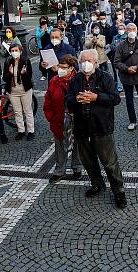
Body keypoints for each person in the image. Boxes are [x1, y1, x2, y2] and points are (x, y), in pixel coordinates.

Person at [66, 49, 126, 209]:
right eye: (82, 61)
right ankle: (97, 183)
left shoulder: (105, 77)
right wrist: (76, 99)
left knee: (109, 161)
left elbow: (115, 98)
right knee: (88, 160)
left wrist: (96, 97)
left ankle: (118, 190)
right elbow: (68, 99)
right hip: (81, 126)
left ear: (95, 63)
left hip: (101, 126)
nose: (85, 64)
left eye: (89, 61)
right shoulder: (75, 80)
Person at [45, 55, 84, 183]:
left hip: (76, 119)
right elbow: (48, 101)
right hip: (59, 119)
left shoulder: (80, 80)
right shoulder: (54, 81)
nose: (60, 69)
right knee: (60, 145)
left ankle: (77, 168)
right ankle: (59, 170)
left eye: (63, 67)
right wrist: (50, 117)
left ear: (71, 68)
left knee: (77, 143)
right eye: (59, 67)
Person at [114, 23, 138, 132]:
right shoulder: (121, 45)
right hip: (126, 77)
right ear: (126, 31)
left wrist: (137, 67)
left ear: (137, 30)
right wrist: (126, 68)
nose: (131, 31)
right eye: (129, 29)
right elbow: (116, 61)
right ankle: (132, 121)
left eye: (133, 29)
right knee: (129, 101)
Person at [2, 44, 35, 140]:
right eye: (12, 51)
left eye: (16, 50)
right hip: (13, 91)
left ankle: (30, 131)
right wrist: (10, 74)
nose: (14, 52)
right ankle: (21, 130)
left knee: (28, 111)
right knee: (17, 112)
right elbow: (4, 78)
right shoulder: (8, 62)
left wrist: (24, 74)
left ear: (20, 51)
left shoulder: (26, 61)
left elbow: (29, 77)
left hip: (25, 90)